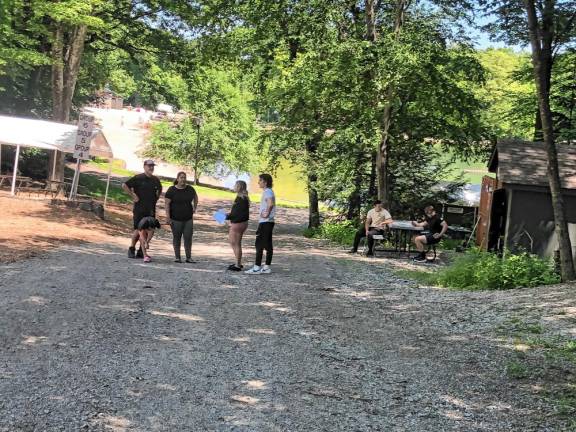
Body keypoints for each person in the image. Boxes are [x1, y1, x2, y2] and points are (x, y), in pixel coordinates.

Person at [122, 160, 162, 259]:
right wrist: (133, 195)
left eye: (152, 166)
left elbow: (160, 190)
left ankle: (141, 250)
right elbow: (124, 185)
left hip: (150, 209)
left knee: (149, 230)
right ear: (144, 166)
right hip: (139, 209)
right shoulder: (138, 178)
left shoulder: (155, 180)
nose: (151, 168)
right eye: (149, 166)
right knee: (138, 229)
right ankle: (132, 248)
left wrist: (156, 199)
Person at [165, 171, 198, 263]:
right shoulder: (171, 190)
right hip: (175, 218)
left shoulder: (190, 189)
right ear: (177, 179)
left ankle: (188, 257)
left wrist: (195, 207)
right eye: (181, 177)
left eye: (184, 177)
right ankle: (177, 257)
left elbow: (195, 197)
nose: (183, 179)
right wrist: (168, 217)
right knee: (177, 237)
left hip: (188, 218)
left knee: (188, 237)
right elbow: (167, 204)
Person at [245, 174, 275, 274]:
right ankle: (266, 267)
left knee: (259, 244)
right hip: (268, 222)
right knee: (267, 244)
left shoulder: (267, 192)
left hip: (265, 222)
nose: (258, 182)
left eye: (260, 181)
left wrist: (266, 212)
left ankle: (257, 267)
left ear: (265, 182)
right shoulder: (268, 191)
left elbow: (270, 204)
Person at [226, 180, 250, 271]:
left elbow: (235, 214)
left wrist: (224, 216)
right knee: (235, 243)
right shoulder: (243, 197)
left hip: (238, 223)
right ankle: (237, 262)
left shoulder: (241, 199)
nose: (234, 186)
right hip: (241, 223)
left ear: (239, 187)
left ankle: (237, 265)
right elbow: (236, 212)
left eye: (235, 185)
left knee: (235, 243)